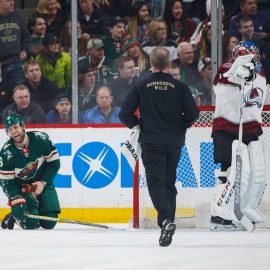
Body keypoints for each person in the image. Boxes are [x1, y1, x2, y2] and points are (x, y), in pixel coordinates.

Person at [119, 46, 199, 246]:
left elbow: (125, 113)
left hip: (151, 141)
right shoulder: (180, 87)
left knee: (156, 183)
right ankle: (168, 222)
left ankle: (165, 220)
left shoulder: (142, 85)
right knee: (169, 182)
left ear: (151, 64)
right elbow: (193, 115)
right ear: (170, 64)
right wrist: (180, 127)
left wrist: (137, 126)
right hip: (174, 142)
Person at [210, 41, 269, 230]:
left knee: (255, 174)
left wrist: (251, 73)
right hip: (226, 127)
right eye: (250, 55)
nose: (255, 58)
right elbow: (233, 75)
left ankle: (243, 208)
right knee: (227, 172)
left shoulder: (260, 74)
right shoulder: (226, 68)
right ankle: (219, 213)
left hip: (251, 126)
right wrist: (244, 70)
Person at [0, 113, 61, 230]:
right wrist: (16, 198)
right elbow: (6, 182)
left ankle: (18, 213)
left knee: (49, 223)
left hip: (42, 184)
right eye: (10, 129)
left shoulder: (41, 139)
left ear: (23, 126)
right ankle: (15, 215)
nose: (13, 131)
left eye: (16, 127)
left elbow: (54, 163)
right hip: (23, 190)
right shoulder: (6, 153)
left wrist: (43, 182)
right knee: (31, 223)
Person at [0, 0, 31, 91]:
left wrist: (25, 50)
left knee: (18, 92)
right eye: (9, 0)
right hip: (1, 63)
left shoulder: (17, 16)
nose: (12, 3)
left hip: (16, 61)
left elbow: (26, 37)